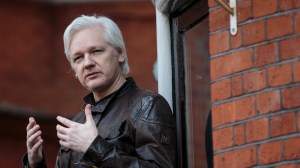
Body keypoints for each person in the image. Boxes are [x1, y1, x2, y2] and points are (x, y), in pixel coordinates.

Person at [23, 15, 176, 168]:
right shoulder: (77, 123)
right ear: (74, 70)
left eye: (96, 51)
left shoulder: (146, 106)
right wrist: (35, 163)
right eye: (78, 58)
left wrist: (95, 148)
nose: (87, 63)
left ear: (120, 53)